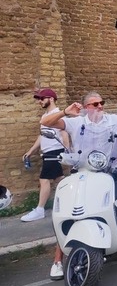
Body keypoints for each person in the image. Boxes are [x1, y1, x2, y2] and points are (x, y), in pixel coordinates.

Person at [41, 92, 117, 280]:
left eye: (101, 103)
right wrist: (65, 111)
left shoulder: (114, 120)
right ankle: (58, 260)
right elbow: (46, 123)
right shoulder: (77, 122)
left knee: (111, 204)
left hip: (109, 171)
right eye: (94, 104)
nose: (99, 106)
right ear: (86, 107)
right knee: (70, 211)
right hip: (82, 172)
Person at [21, 88, 70, 223]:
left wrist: (68, 151)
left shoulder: (58, 114)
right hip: (48, 152)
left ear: (51, 99)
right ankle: (71, 202)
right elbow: (42, 135)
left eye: (42, 99)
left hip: (55, 151)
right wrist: (31, 151)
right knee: (60, 179)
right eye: (39, 99)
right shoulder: (45, 117)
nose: (39, 102)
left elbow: (64, 133)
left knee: (44, 180)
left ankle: (40, 210)